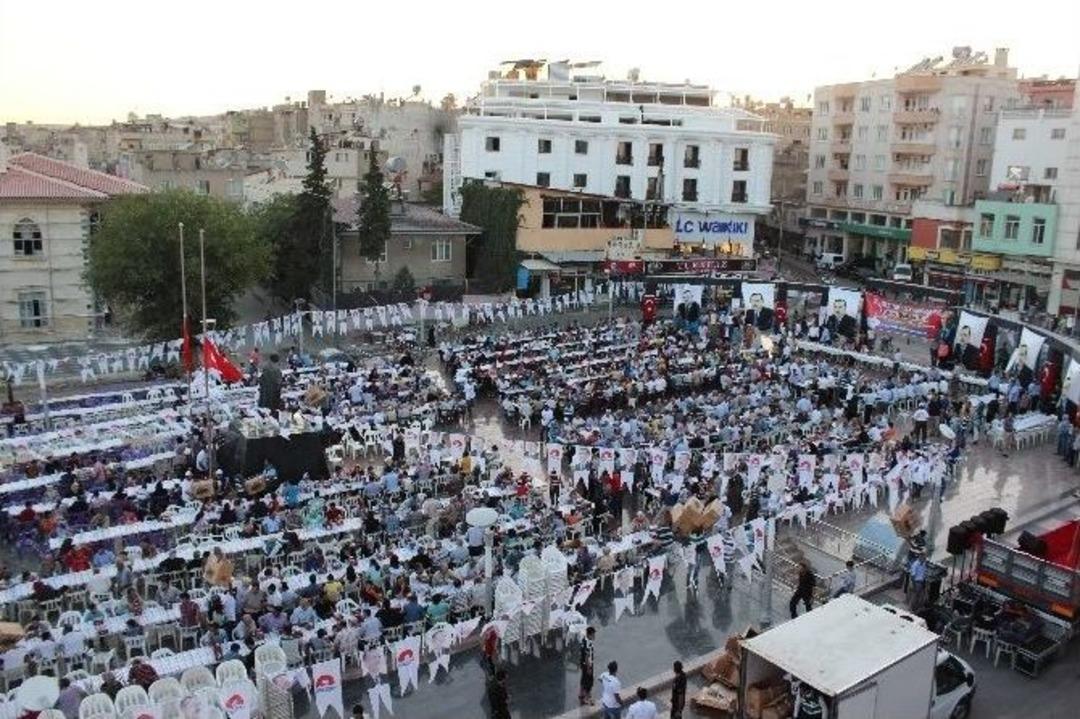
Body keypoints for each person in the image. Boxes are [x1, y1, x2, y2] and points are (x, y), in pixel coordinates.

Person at [579, 626, 596, 705]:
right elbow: (587, 656)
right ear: (590, 634)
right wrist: (589, 668)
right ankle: (587, 698)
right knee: (588, 682)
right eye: (593, 634)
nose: (594, 636)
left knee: (583, 679)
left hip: (583, 664)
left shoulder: (584, 640)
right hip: (587, 664)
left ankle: (581, 693)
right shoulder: (588, 643)